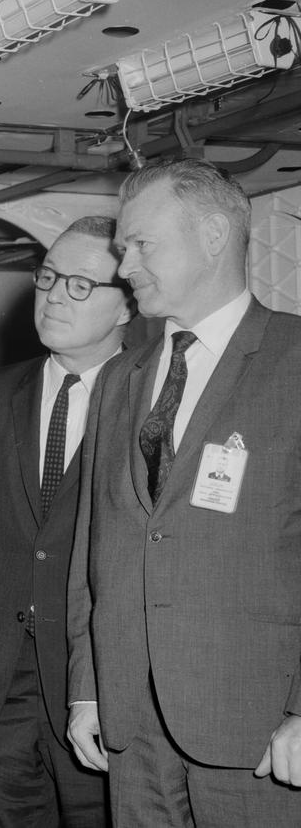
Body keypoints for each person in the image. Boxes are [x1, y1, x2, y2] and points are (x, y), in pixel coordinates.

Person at [67, 158, 301, 825]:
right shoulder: (119, 379)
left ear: (214, 235)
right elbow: (95, 548)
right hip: (132, 729)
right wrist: (87, 690)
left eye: (142, 243)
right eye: (122, 247)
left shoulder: (295, 359)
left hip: (259, 734)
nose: (125, 265)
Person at [0, 217, 128, 827]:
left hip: (99, 688)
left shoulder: (149, 399)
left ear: (128, 305)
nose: (52, 296)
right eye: (47, 277)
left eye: (80, 285)